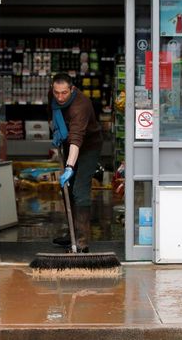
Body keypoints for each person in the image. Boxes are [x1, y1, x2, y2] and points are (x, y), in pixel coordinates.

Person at [49, 73, 102, 252]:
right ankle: (72, 232)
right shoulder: (54, 96)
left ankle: (81, 240)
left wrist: (69, 167)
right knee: (67, 190)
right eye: (57, 93)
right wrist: (56, 131)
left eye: (64, 93)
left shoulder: (81, 105)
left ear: (72, 89)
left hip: (88, 147)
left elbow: (77, 139)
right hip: (68, 144)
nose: (60, 97)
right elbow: (53, 114)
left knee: (80, 189)